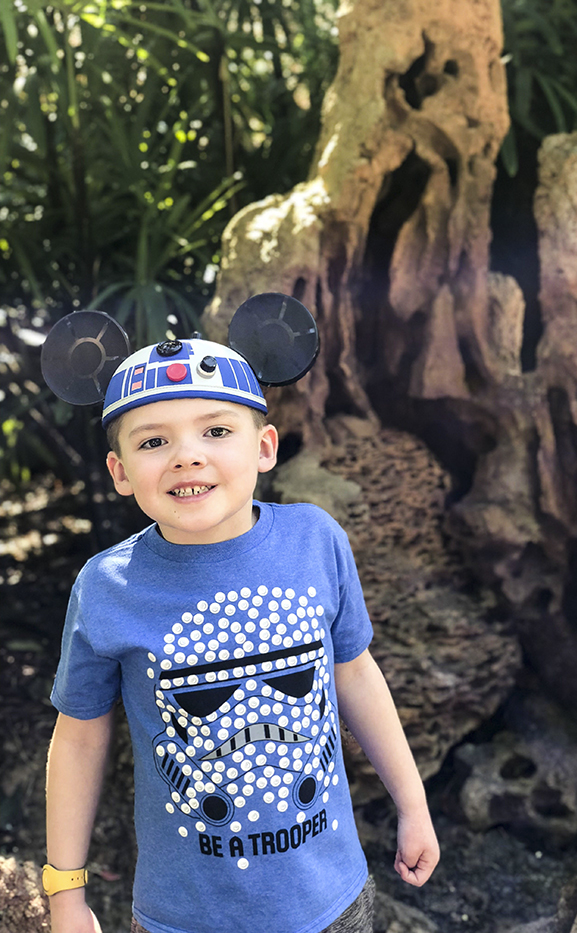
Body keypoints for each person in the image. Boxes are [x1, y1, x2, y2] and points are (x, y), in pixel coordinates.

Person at [43, 305, 440, 933]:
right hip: (185, 918)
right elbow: (80, 737)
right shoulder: (107, 587)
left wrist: (412, 804)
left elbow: (355, 675)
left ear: (264, 447)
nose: (186, 456)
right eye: (153, 441)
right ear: (121, 472)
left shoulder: (316, 540)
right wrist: (65, 891)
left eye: (216, 431)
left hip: (332, 902)